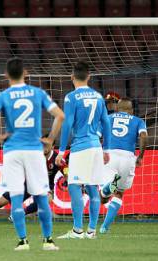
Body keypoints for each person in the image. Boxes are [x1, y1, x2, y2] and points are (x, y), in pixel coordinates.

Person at [0, 57, 65, 251]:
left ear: (6, 75)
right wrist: (51, 139)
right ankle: (48, 241)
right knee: (41, 196)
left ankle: (23, 241)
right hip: (34, 151)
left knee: (16, 197)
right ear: (25, 73)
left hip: (12, 151)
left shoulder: (3, 95)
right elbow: (60, 115)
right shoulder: (38, 93)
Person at [56, 61, 111, 240]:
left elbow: (68, 123)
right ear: (89, 76)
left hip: (81, 147)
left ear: (72, 77)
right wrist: (106, 148)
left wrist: (62, 150)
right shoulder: (98, 96)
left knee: (74, 186)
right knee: (93, 187)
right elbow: (106, 123)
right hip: (96, 146)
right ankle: (92, 231)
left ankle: (78, 230)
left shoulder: (71, 97)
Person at [0, 137, 69, 223]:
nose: (43, 147)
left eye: (47, 145)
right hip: (26, 184)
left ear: (53, 146)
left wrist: (66, 177)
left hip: (44, 186)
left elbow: (65, 169)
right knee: (0, 202)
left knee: (48, 199)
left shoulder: (57, 158)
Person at [99, 98, 147, 234]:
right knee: (119, 193)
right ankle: (104, 228)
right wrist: (141, 157)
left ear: (117, 108)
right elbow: (143, 137)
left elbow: (96, 136)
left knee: (103, 196)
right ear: (131, 110)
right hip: (128, 158)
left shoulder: (107, 118)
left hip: (110, 155)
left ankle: (105, 190)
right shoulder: (138, 120)